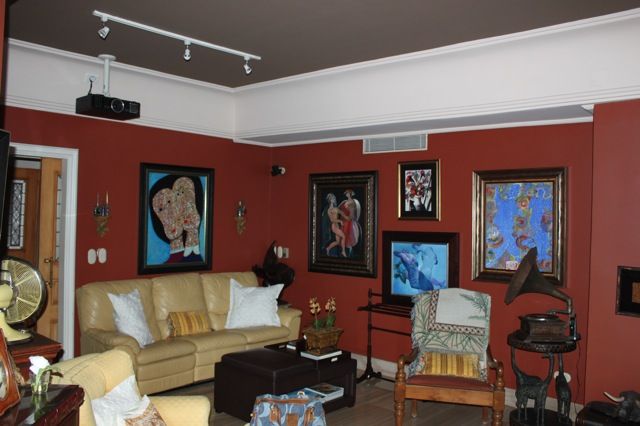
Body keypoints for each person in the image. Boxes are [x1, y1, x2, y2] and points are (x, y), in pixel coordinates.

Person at [324, 193, 347, 257]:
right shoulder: (329, 210)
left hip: (337, 226)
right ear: (329, 200)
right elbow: (332, 220)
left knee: (337, 242)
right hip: (334, 226)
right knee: (343, 236)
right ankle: (343, 251)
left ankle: (328, 248)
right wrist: (340, 221)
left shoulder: (336, 208)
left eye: (334, 198)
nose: (333, 199)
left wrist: (347, 216)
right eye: (332, 198)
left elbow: (342, 213)